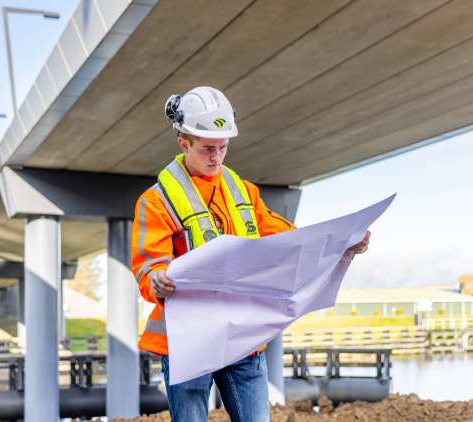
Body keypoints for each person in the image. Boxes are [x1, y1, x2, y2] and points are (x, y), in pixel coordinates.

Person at [131, 86, 370, 421]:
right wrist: (157, 279)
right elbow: (148, 266)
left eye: (223, 147)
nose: (216, 157)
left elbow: (289, 241)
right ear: (183, 143)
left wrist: (341, 244)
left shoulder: (242, 191)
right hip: (187, 342)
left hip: (241, 338)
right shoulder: (156, 201)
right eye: (207, 149)